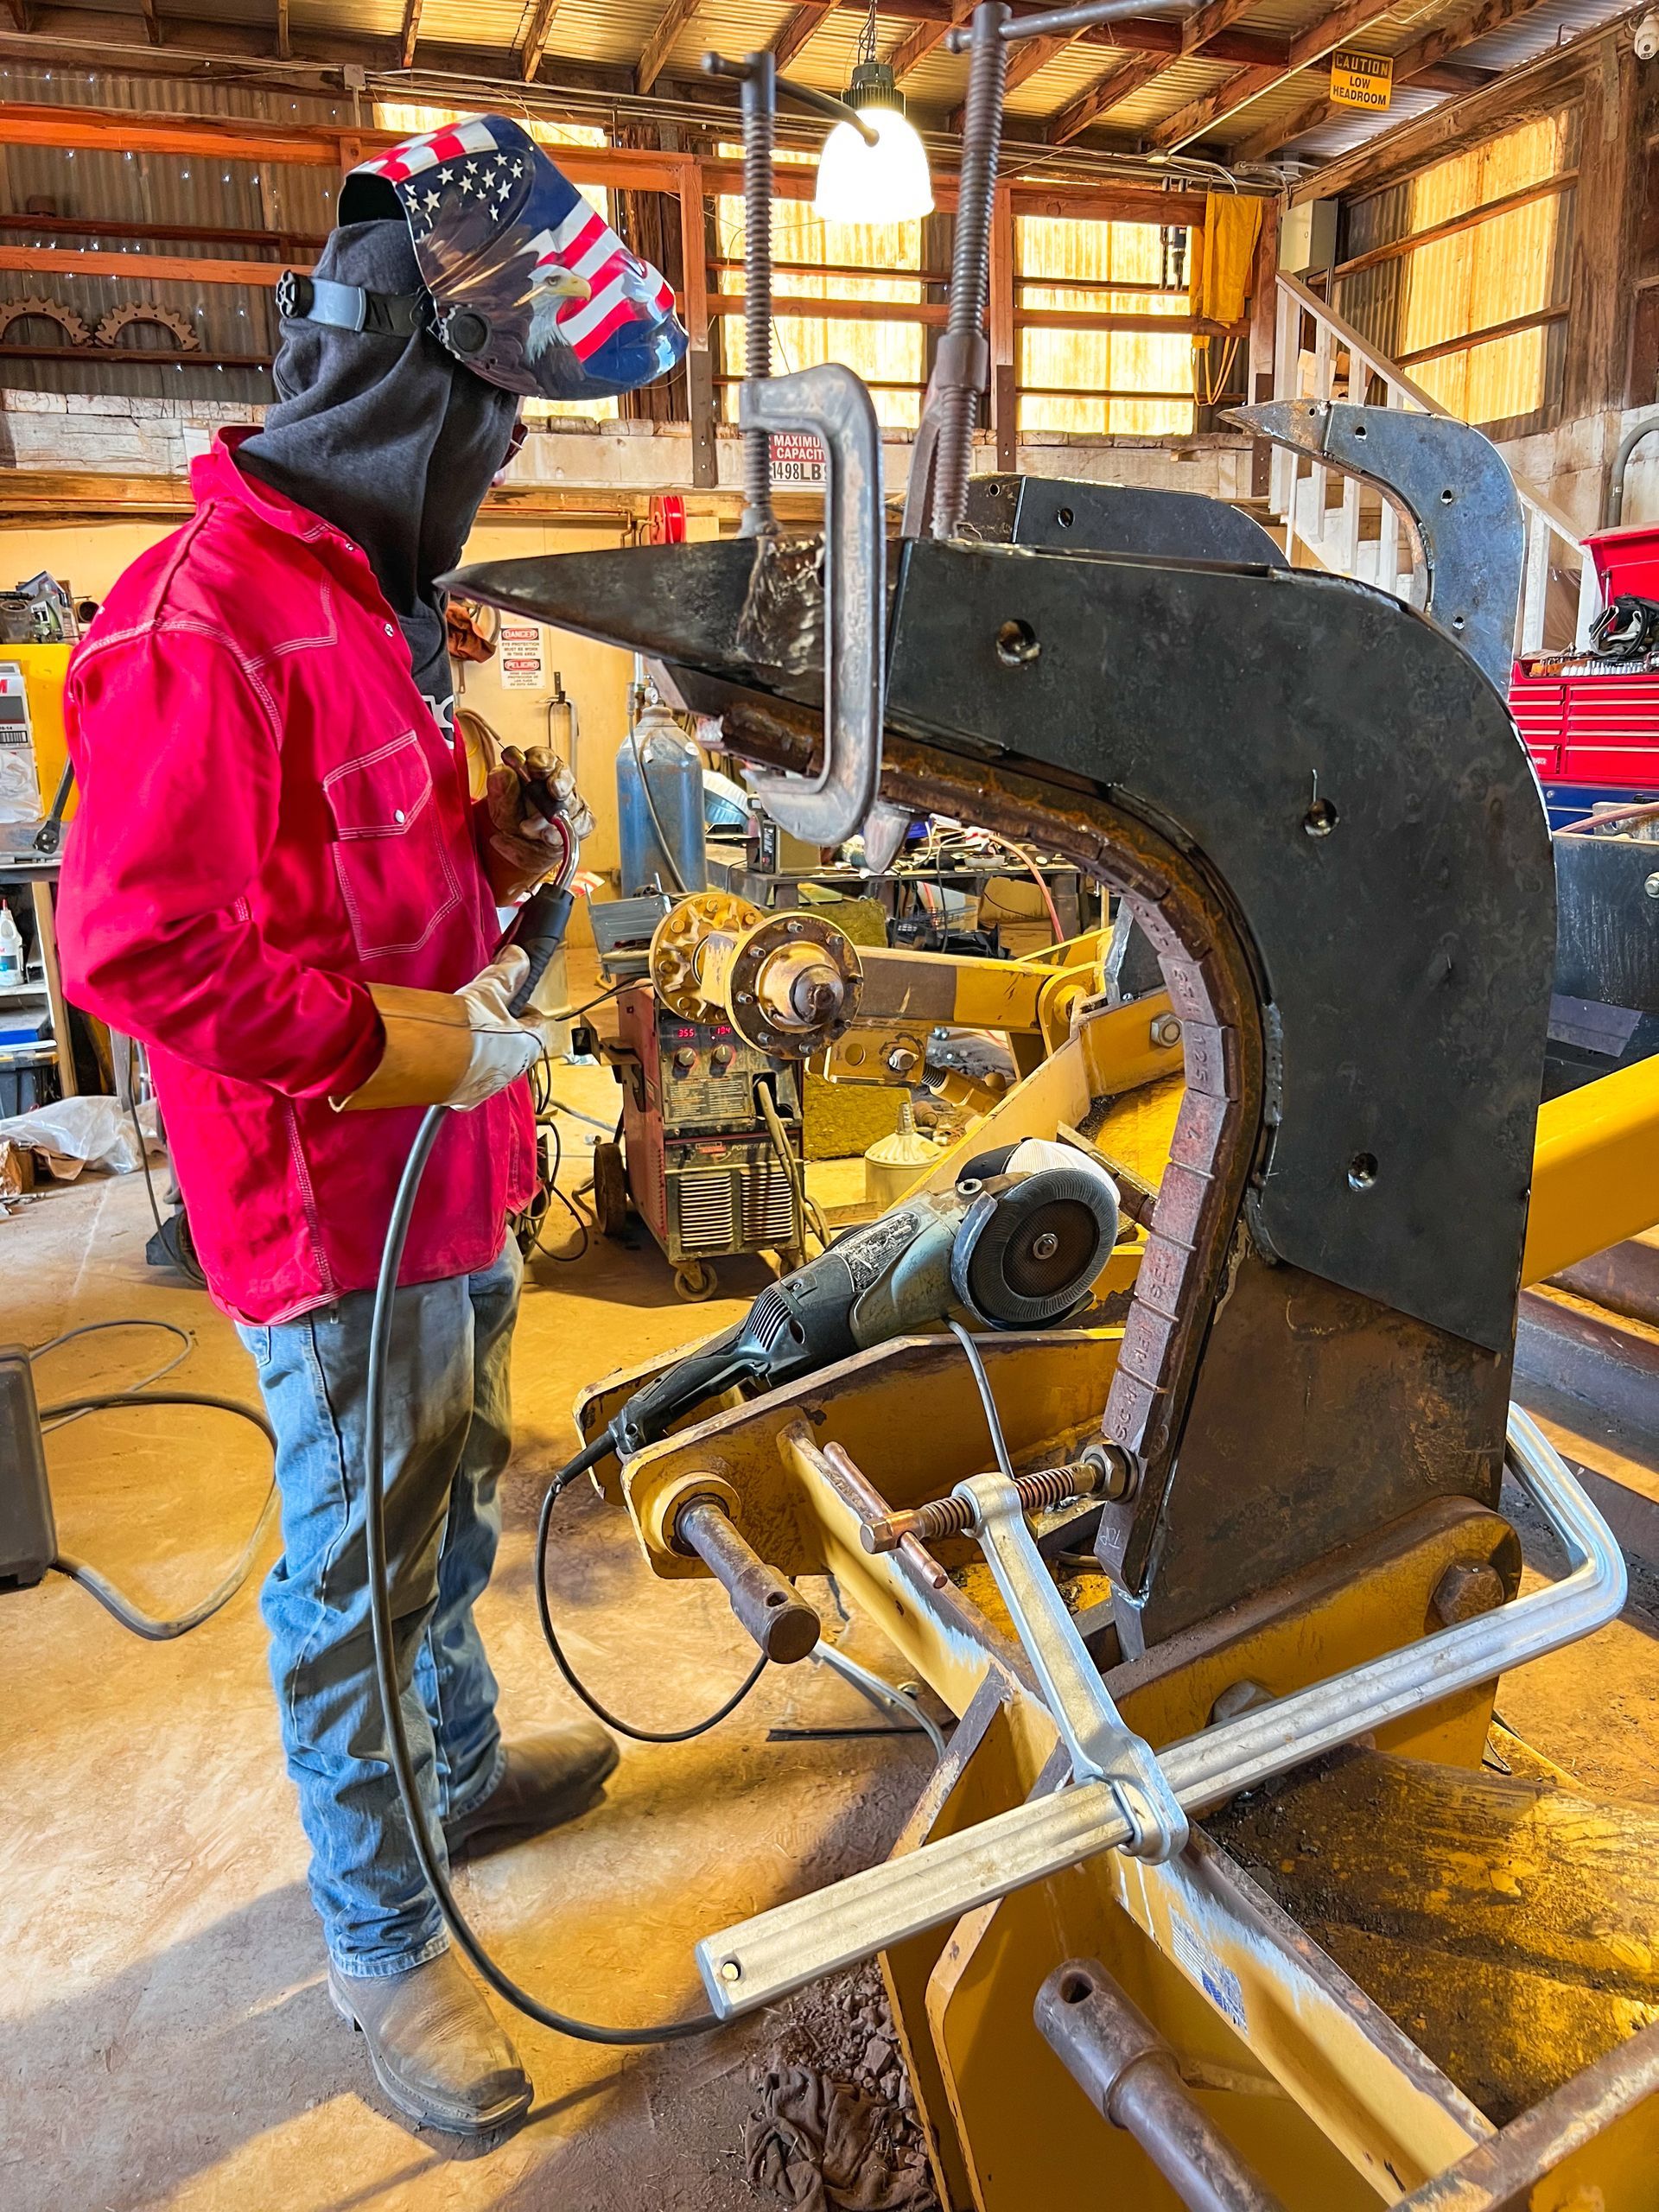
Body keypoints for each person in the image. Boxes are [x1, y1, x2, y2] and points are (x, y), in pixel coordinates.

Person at [56, 118, 686, 2141]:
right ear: (415, 392)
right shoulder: (194, 618)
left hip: (449, 1184)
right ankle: (379, 1924)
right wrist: (405, 1039)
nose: (497, 474)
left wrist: (502, 867)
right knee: (354, 1562)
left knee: (447, 1510)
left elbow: (384, 895)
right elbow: (140, 947)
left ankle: (463, 1757)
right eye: (491, 433)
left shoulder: (357, 604)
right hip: (327, 1214)